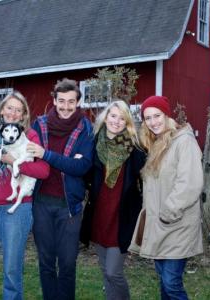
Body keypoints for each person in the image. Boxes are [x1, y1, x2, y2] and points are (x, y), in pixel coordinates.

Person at [0, 91, 50, 300]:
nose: (13, 113)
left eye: (18, 110)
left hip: (16, 211)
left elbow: (43, 171)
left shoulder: (29, 136)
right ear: (1, 110)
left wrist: (11, 161)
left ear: (24, 114)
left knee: (11, 270)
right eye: (9, 108)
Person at [130, 96, 204, 300]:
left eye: (157, 115)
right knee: (164, 280)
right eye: (148, 118)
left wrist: (168, 212)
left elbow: (190, 183)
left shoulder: (184, 141)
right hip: (158, 225)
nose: (153, 122)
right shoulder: (156, 144)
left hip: (177, 223)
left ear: (166, 115)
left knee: (171, 283)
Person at [28, 78, 94, 300]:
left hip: (70, 207)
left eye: (71, 102)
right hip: (42, 204)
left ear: (78, 103)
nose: (66, 107)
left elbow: (82, 166)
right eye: (62, 101)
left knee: (67, 263)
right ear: (54, 100)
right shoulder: (40, 125)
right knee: (46, 262)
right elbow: (31, 159)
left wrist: (46, 154)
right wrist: (66, 161)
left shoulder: (85, 128)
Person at [80, 100, 146, 300]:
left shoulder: (135, 149)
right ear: (105, 117)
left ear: (127, 122)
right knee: (105, 272)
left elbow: (147, 178)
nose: (116, 121)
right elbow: (85, 174)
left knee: (113, 272)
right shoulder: (93, 144)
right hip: (100, 216)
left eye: (122, 118)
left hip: (122, 218)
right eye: (113, 116)